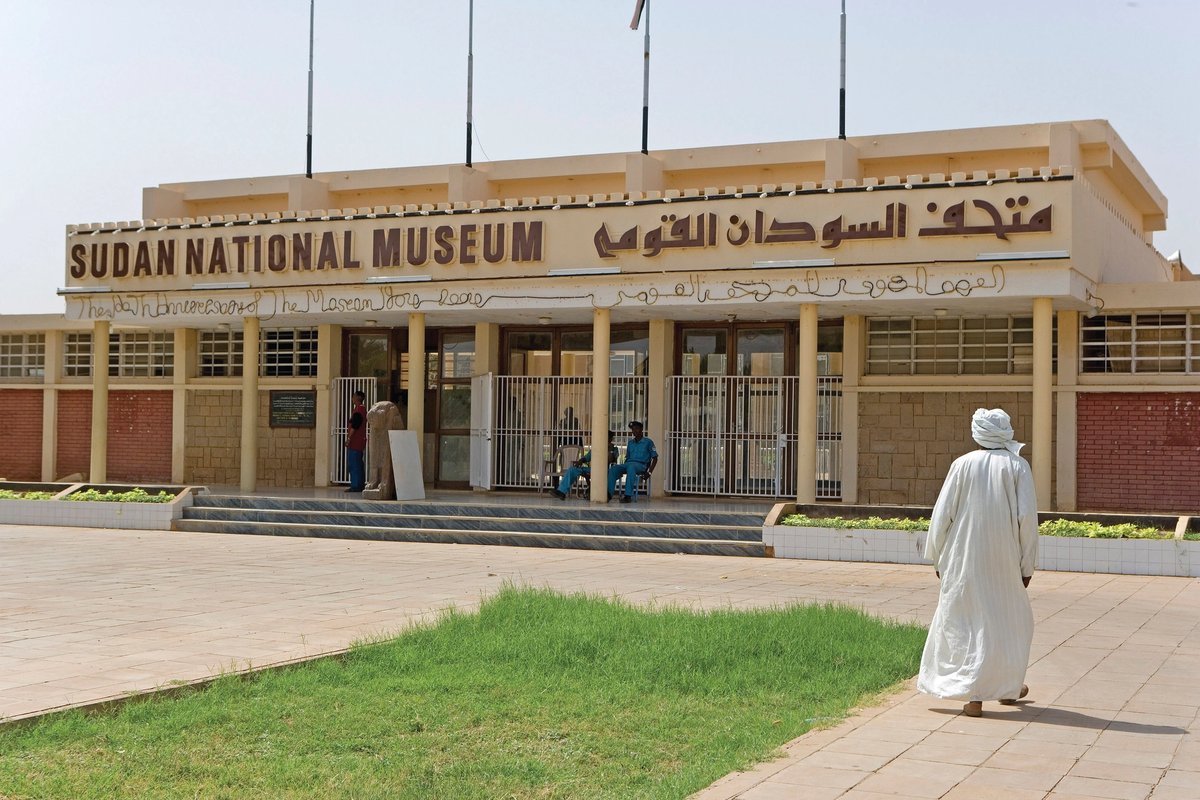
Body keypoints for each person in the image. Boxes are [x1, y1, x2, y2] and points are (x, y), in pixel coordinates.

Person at [918, 408, 1038, 718]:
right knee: (1007, 623)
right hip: (1004, 561)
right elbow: (1027, 519)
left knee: (967, 622)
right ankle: (986, 691)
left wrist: (937, 556)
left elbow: (942, 513)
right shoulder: (1017, 466)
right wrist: (1027, 566)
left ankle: (996, 691)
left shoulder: (962, 464)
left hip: (963, 559)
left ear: (978, 434)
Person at [551, 431, 618, 500]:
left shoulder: (614, 449)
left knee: (609, 473)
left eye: (608, 438)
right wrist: (580, 461)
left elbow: (611, 460)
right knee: (572, 469)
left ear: (610, 439)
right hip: (592, 470)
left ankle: (607, 495)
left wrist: (610, 449)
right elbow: (586, 458)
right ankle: (561, 492)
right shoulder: (596, 448)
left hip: (606, 471)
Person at [608, 420, 658, 504]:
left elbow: (655, 458)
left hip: (641, 465)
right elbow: (627, 457)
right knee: (614, 469)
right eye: (633, 429)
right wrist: (622, 469)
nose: (634, 431)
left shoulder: (648, 442)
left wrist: (649, 472)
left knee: (631, 467)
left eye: (636, 429)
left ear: (641, 429)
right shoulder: (630, 443)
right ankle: (609, 494)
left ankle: (628, 496)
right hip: (628, 464)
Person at [345, 390, 367, 492]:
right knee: (358, 463)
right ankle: (359, 484)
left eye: (354, 396)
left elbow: (355, 425)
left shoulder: (359, 410)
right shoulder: (360, 409)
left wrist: (349, 438)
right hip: (359, 441)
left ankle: (356, 485)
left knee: (354, 464)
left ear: (358, 398)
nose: (352, 398)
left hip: (356, 441)